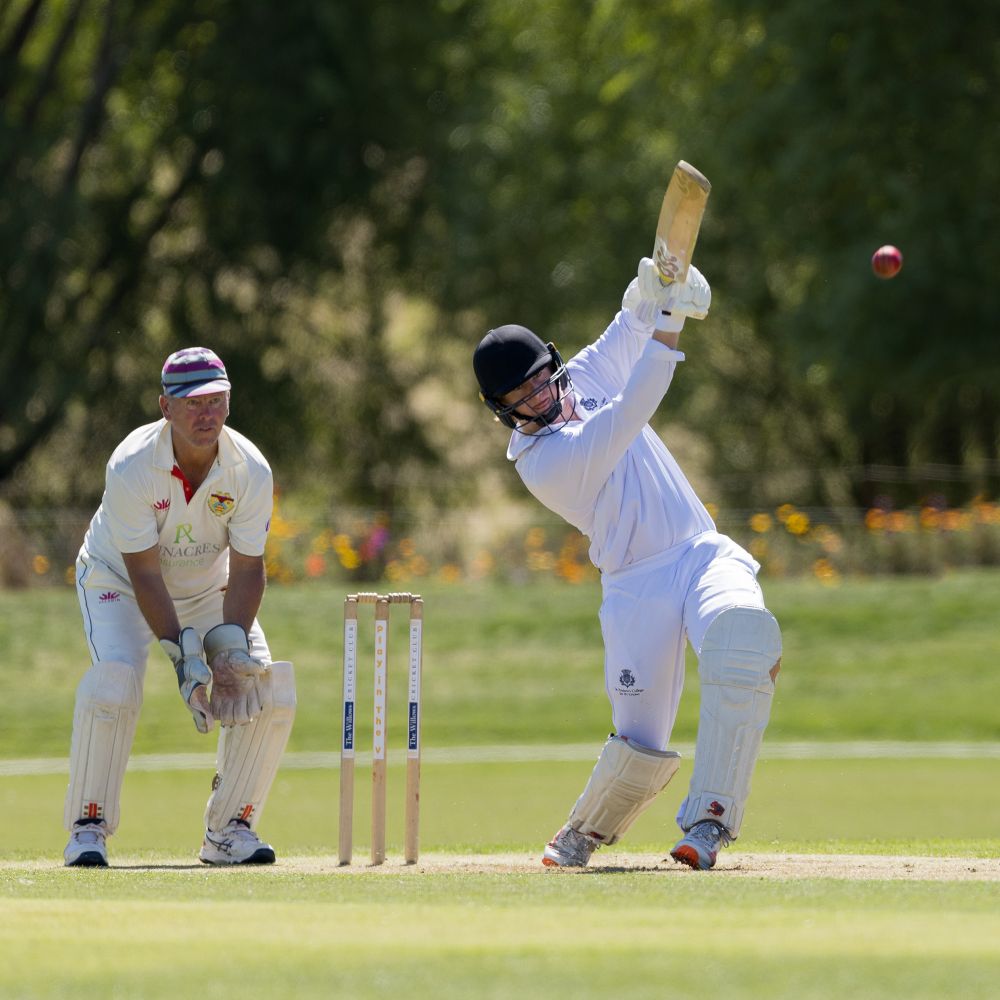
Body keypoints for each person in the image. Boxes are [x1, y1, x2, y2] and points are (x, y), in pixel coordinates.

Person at [472, 258, 782, 870]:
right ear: (503, 410)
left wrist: (656, 286)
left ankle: (709, 823)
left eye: (542, 381)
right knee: (641, 740)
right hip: (635, 587)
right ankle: (585, 830)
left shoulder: (579, 378)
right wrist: (671, 321)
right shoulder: (543, 461)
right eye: (522, 398)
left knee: (742, 639)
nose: (541, 399)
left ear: (553, 365)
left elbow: (626, 329)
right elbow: (632, 407)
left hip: (698, 551)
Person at [63, 347, 296, 867]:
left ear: (230, 403)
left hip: (208, 586)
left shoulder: (250, 470)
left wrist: (229, 650)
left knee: (266, 686)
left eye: (216, 400)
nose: (206, 413)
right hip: (118, 580)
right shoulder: (132, 465)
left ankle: (229, 829)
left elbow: (249, 568)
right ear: (164, 408)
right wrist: (185, 662)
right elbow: (145, 574)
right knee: (116, 682)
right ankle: (88, 826)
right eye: (192, 403)